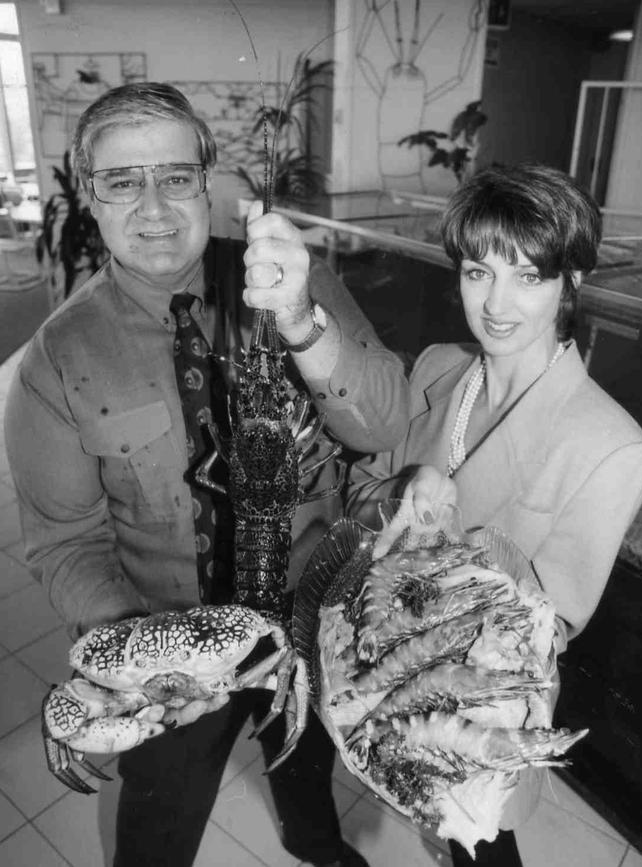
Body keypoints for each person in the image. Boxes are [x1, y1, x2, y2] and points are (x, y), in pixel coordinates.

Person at [4, 82, 410, 867]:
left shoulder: (299, 282)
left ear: (208, 178)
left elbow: (386, 425)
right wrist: (159, 655)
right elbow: (64, 543)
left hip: (307, 613)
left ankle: (315, 842)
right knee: (158, 821)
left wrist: (299, 321)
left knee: (306, 762)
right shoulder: (54, 361)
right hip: (165, 637)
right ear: (90, 196)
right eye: (122, 181)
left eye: (176, 176)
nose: (153, 206)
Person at [345, 163, 642, 867]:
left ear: (571, 282)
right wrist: (404, 489)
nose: (497, 304)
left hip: (480, 707)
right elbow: (359, 499)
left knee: (481, 841)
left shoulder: (613, 445)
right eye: (479, 272)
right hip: (381, 674)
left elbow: (552, 620)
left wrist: (447, 541)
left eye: (529, 276)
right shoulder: (436, 368)